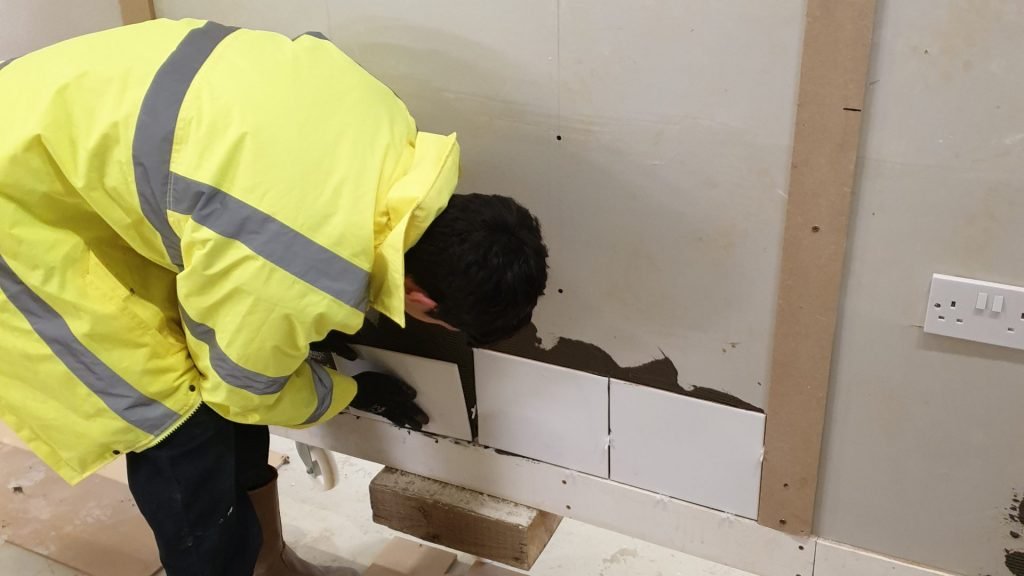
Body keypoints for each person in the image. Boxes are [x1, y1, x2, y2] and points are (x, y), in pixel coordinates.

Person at [0, 19, 548, 576]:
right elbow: (241, 392)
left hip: (47, 131)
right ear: (420, 296)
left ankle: (266, 565)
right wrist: (342, 393)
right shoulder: (303, 264)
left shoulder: (387, 127)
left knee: (203, 379)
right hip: (17, 213)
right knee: (176, 418)